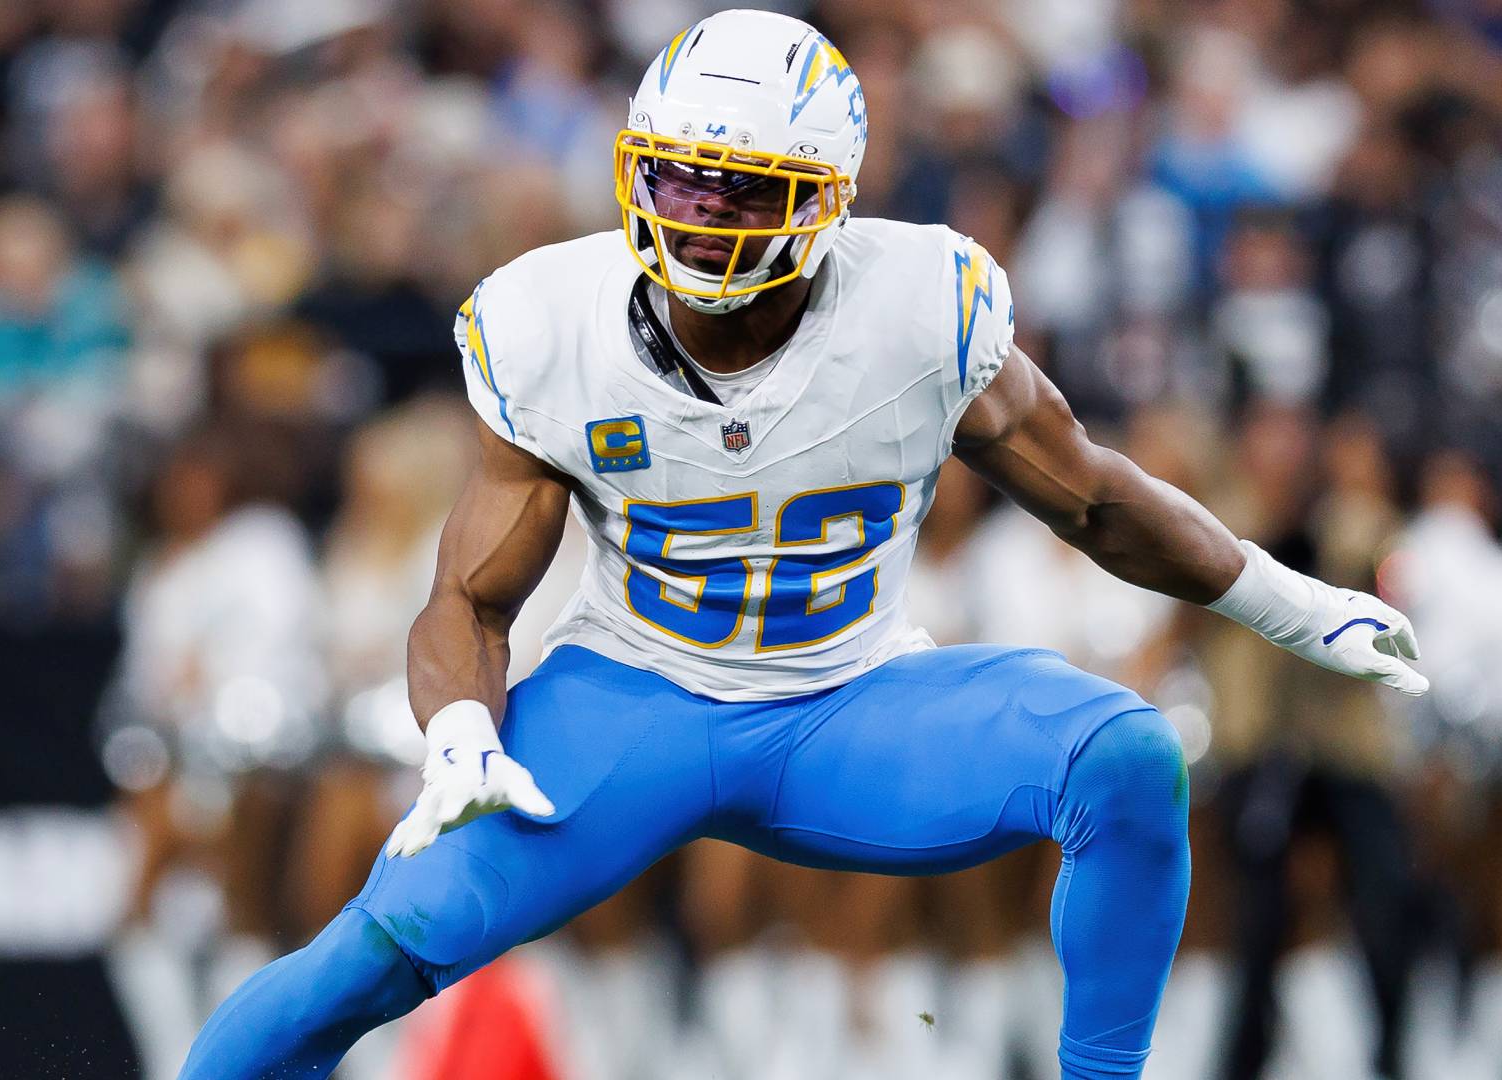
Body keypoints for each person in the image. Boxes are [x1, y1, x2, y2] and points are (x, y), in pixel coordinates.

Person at [179, 11, 1427, 1079]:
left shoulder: (917, 310)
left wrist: (1294, 603)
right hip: (632, 700)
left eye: (744, 190)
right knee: (374, 952)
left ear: (826, 199)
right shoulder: (553, 322)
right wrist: (459, 732)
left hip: (850, 704)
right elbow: (469, 596)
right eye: (681, 181)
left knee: (1128, 758)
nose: (703, 216)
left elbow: (1094, 499)